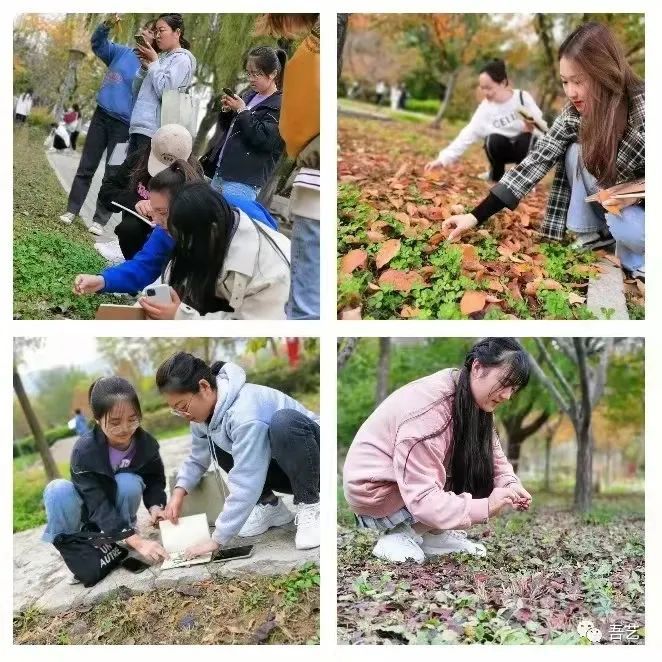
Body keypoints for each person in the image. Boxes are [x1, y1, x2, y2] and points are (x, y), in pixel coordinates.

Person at [442, 23, 645, 279]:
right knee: (574, 150)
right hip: (614, 203)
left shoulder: (645, 109)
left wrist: (635, 196)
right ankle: (595, 236)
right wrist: (474, 216)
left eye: (578, 81)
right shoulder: (575, 115)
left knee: (627, 228)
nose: (571, 92)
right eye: (564, 82)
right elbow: (537, 160)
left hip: (640, 208)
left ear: (605, 73)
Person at [343, 338, 533, 563]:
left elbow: (495, 459)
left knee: (479, 465)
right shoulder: (430, 414)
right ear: (478, 367)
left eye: (514, 389)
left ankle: (432, 533)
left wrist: (511, 486)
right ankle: (400, 535)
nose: (507, 396)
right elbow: (422, 497)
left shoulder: (472, 399)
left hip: (407, 486)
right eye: (504, 383)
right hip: (375, 491)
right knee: (462, 479)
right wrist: (487, 506)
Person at [73, 165, 290, 320]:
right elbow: (145, 266)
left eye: (162, 212)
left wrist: (182, 317)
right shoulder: (173, 226)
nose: (155, 220)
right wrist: (103, 281)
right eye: (154, 209)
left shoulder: (263, 267)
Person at [157, 353, 321, 553]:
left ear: (204, 387)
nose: (184, 416)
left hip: (316, 464)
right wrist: (178, 493)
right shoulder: (204, 417)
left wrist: (216, 540)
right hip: (285, 469)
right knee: (218, 441)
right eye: (176, 411)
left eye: (183, 407)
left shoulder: (244, 413)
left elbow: (247, 478)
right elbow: (197, 458)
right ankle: (269, 505)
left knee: (283, 422)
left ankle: (310, 504)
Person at [42, 377, 169, 564]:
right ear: (97, 420)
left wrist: (156, 506)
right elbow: (97, 503)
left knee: (129, 482)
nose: (125, 429)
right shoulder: (84, 452)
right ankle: (75, 548)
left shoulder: (145, 444)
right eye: (115, 422)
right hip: (90, 511)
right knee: (57, 490)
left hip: (118, 513)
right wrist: (140, 544)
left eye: (132, 419)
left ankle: (124, 534)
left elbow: (154, 479)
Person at [59, 16, 156, 236]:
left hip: (125, 128)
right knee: (87, 166)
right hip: (101, 117)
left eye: (151, 30)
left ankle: (100, 219)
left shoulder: (153, 67)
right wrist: (106, 25)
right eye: (146, 28)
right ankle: (72, 209)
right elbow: (98, 44)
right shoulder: (121, 52)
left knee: (113, 173)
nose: (146, 32)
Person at [257, 13, 320, 320]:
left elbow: (289, 132)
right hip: (316, 176)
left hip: (316, 180)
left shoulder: (314, 49)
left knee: (306, 307)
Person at [425, 59, 547, 183]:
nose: (485, 93)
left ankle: (525, 179)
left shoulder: (522, 98)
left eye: (489, 88)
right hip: (500, 149)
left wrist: (532, 127)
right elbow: (467, 134)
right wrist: (442, 160)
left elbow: (542, 128)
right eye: (482, 88)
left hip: (524, 148)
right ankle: (496, 174)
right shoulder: (485, 109)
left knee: (527, 138)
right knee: (493, 139)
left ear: (503, 83)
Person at [97, 123, 201, 259]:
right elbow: (107, 190)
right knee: (129, 229)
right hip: (137, 226)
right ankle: (132, 260)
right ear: (151, 147)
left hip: (170, 230)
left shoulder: (194, 175)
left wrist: (167, 212)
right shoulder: (138, 159)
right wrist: (135, 202)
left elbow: (197, 216)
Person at [201, 46, 285, 201]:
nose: (251, 78)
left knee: (232, 223)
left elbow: (264, 139)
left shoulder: (280, 105)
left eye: (257, 74)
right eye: (249, 73)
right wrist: (227, 112)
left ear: (273, 74)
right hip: (221, 172)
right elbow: (229, 129)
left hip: (243, 181)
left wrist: (242, 111)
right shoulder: (248, 96)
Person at [129, 13, 196, 157]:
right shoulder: (161, 60)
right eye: (156, 31)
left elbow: (166, 93)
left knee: (131, 178)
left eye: (162, 30)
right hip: (138, 126)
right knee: (126, 178)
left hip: (153, 131)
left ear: (177, 32)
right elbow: (135, 90)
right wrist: (145, 68)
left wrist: (154, 62)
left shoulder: (182, 60)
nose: (157, 35)